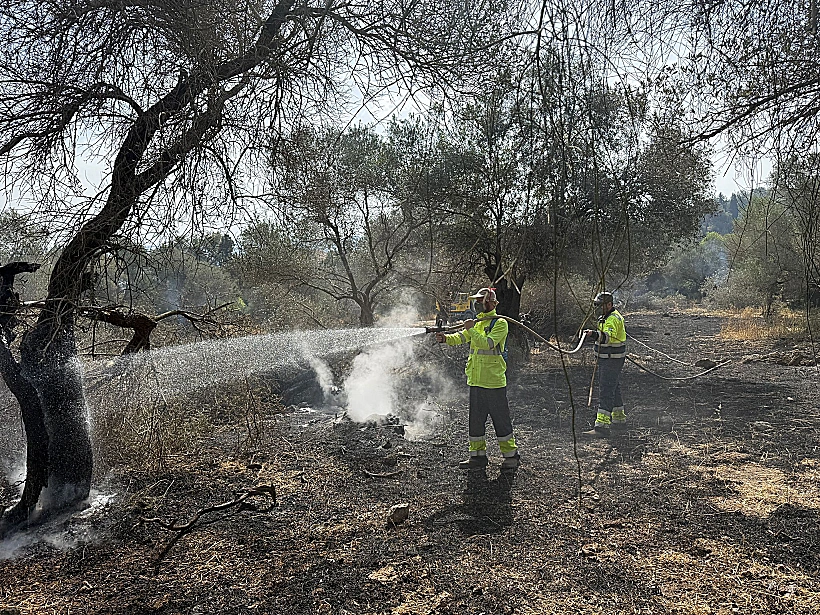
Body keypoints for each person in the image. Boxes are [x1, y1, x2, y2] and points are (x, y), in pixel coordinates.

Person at [436, 287, 520, 469]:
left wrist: (471, 330)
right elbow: (461, 337)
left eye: (480, 300)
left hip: (494, 383)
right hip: (476, 381)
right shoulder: (479, 323)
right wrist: (445, 339)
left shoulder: (499, 324)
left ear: (490, 302)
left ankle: (511, 456)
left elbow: (488, 344)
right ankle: (477, 457)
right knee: (475, 422)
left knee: (501, 420)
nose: (476, 304)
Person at [583, 291, 627, 437]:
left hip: (611, 360)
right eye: (596, 305)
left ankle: (601, 427)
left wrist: (593, 334)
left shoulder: (613, 319)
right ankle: (619, 420)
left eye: (600, 305)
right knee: (614, 387)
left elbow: (606, 338)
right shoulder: (605, 317)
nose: (597, 308)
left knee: (606, 390)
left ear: (609, 305)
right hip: (608, 360)